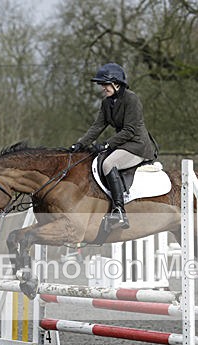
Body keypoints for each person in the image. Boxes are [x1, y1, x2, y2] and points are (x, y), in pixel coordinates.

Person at [70, 63, 159, 231]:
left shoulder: (131, 99)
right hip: (123, 143)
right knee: (93, 161)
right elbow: (97, 126)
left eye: (105, 84)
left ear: (117, 83)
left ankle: (119, 210)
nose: (103, 88)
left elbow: (130, 130)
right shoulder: (107, 103)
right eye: (102, 85)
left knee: (108, 164)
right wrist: (80, 143)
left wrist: (107, 144)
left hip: (138, 145)